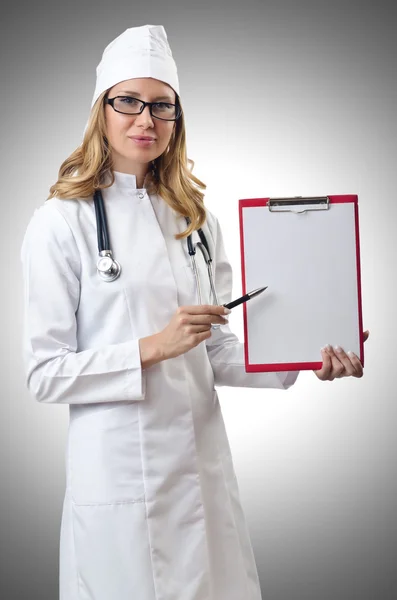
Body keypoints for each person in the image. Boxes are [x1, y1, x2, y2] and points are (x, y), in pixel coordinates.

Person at [20, 24, 369, 600]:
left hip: (201, 475)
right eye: (128, 101)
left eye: (162, 107)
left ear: (176, 120)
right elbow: (44, 372)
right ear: (101, 110)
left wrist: (306, 355)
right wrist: (155, 346)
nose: (145, 120)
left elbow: (219, 351)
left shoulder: (196, 220)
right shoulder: (61, 223)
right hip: (119, 479)